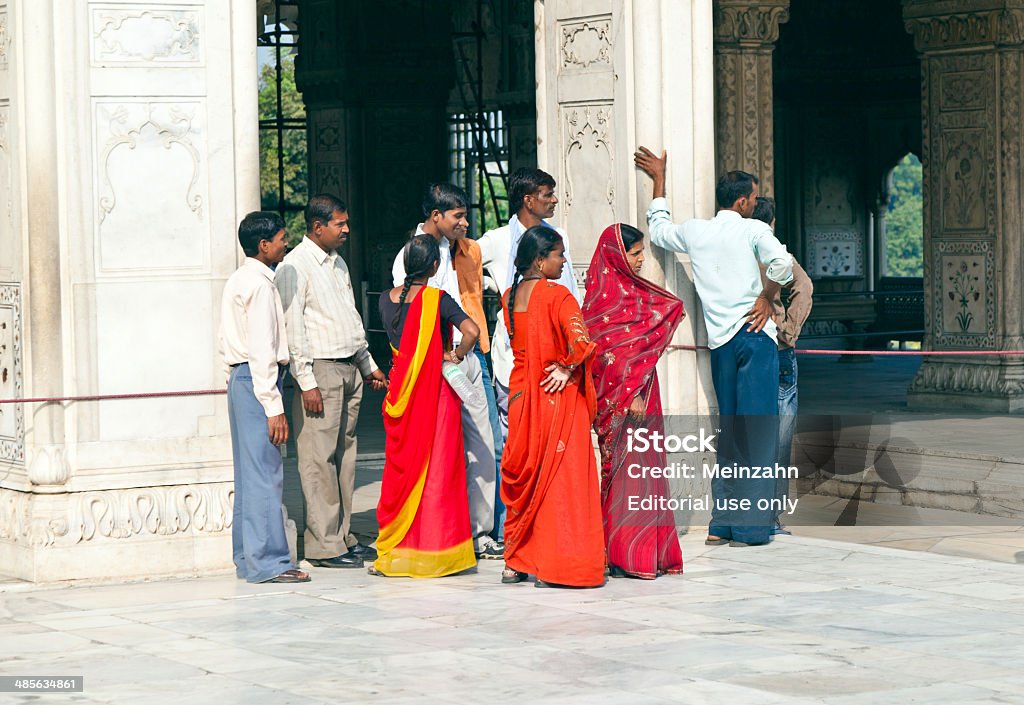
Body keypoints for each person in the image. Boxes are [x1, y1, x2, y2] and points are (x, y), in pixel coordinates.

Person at [635, 147, 793, 547]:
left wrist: (659, 180)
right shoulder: (754, 230)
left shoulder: (696, 231)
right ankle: (751, 529)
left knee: (730, 432)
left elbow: (659, 229)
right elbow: (784, 266)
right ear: (742, 201)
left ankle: (720, 524)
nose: (755, 205)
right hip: (755, 340)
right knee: (757, 433)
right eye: (754, 199)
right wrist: (767, 296)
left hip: (720, 343)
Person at [276, 194, 387, 570]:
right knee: (317, 459)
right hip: (320, 370)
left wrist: (367, 364)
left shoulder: (337, 263)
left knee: (345, 456)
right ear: (317, 226)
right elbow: (294, 328)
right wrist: (305, 382)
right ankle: (324, 544)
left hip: (349, 366)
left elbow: (350, 317)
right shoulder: (295, 265)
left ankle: (343, 536)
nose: (346, 230)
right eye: (339, 224)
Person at [392, 184, 502, 560]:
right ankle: (438, 531)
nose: (464, 222)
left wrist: (462, 352)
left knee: (484, 444)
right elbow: (405, 313)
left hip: (467, 358)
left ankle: (481, 532)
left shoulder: (463, 250)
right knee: (438, 450)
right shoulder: (410, 255)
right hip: (436, 365)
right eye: (457, 216)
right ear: (435, 216)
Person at [478, 167, 581, 542]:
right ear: (528, 199)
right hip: (516, 363)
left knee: (555, 448)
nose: (553, 200)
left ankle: (550, 527)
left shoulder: (559, 238)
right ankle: (513, 531)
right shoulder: (497, 240)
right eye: (547, 193)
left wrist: (571, 361)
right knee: (516, 450)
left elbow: (570, 295)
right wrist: (489, 290)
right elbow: (463, 266)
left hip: (555, 367)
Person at [500, 225, 604, 588]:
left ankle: (516, 561)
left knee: (525, 479)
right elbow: (581, 343)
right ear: (541, 260)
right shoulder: (558, 295)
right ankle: (564, 563)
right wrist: (568, 365)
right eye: (559, 255)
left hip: (521, 399)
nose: (563, 262)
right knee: (565, 482)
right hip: (557, 399)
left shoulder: (509, 296)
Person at [373, 235, 480, 577]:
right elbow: (473, 331)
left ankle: (396, 548)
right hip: (435, 394)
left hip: (400, 391)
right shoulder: (438, 299)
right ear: (435, 267)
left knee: (402, 471)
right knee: (438, 472)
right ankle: (437, 552)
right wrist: (456, 354)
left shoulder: (384, 300)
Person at [582, 224, 685, 579]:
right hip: (620, 400)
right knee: (624, 473)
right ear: (615, 254)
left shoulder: (637, 293)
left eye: (641, 253)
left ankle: (644, 554)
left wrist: (638, 390)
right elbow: (602, 350)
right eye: (634, 253)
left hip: (641, 393)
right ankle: (622, 554)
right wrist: (630, 395)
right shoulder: (598, 297)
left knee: (645, 471)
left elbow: (667, 313)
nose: (641, 261)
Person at [220, 211, 309, 584]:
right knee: (265, 474)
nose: (285, 244)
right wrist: (273, 406)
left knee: (250, 473)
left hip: (242, 381)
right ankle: (270, 562)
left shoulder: (240, 279)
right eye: (281, 238)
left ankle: (248, 558)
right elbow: (261, 349)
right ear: (263, 245)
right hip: (258, 380)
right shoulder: (258, 285)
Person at [751, 196, 813, 534]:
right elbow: (803, 287)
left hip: (739, 342)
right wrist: (788, 332)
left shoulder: (733, 247)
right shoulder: (773, 250)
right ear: (771, 222)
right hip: (776, 346)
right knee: (779, 432)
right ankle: (770, 517)